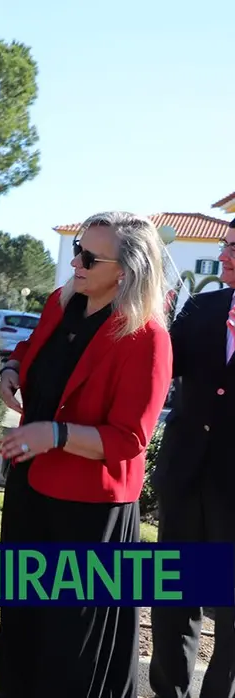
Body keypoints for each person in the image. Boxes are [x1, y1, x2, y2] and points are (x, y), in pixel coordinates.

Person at [0, 212, 173, 698]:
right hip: (32, 485)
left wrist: (59, 433)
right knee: (23, 613)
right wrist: (11, 366)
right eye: (77, 251)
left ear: (127, 271)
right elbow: (32, 348)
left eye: (90, 257)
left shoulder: (147, 337)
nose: (77, 262)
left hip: (90, 509)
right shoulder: (61, 302)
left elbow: (130, 438)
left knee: (73, 639)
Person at [149, 219, 235, 698]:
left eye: (232, 248)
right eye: (224, 246)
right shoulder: (201, 308)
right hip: (184, 479)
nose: (223, 256)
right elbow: (159, 368)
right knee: (174, 601)